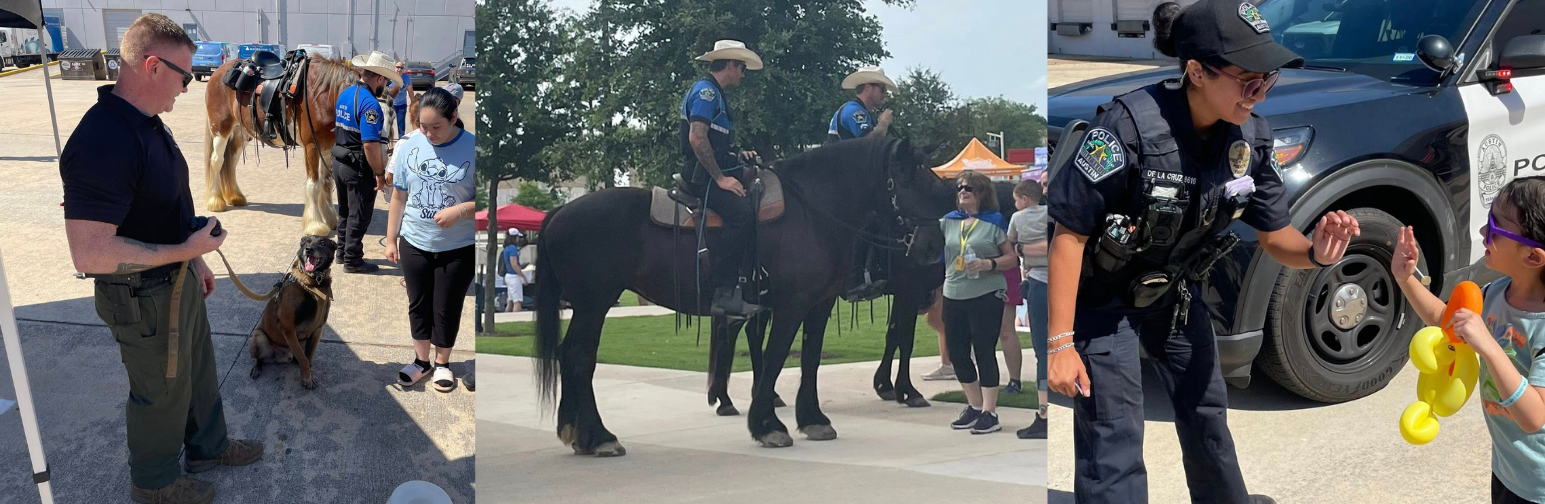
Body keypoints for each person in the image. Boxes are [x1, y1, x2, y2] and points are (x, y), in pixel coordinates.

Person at [1045, 1, 1360, 502]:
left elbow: (1278, 236)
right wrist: (1060, 345)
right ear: (1196, 70)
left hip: (1174, 294)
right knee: (1114, 438)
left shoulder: (1250, 139)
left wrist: (1317, 253)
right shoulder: (1124, 130)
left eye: (1268, 81)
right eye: (1247, 81)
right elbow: (1070, 234)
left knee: (1207, 415)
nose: (1258, 94)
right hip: (1103, 302)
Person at [59, 13, 263, 503]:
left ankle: (208, 449)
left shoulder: (145, 121)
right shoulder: (102, 139)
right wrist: (183, 251)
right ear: (152, 65)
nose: (189, 88)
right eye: (185, 76)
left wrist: (192, 258)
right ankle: (153, 485)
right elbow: (89, 251)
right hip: (140, 296)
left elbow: (161, 204)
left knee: (197, 373)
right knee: (159, 392)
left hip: (172, 279)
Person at [1397, 177, 1545, 504]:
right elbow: (1447, 322)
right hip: (1509, 468)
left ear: (1533, 258)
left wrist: (1489, 347)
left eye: (1495, 227)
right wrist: (1406, 278)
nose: (1482, 233)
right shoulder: (1496, 294)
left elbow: (1534, 416)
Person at [384, 86, 477, 393]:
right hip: (414, 241)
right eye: (423, 126)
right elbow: (398, 196)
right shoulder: (412, 144)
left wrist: (461, 211)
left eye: (436, 126)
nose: (429, 133)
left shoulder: (474, 149)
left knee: (447, 308)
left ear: (453, 118)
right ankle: (421, 362)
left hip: (457, 248)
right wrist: (390, 239)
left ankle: (443, 364)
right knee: (418, 305)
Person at [679, 39, 764, 318]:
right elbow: (697, 137)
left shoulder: (715, 94)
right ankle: (724, 293)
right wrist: (720, 179)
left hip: (715, 171)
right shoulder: (706, 93)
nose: (743, 73)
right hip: (703, 178)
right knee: (741, 215)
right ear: (729, 65)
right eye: (741, 67)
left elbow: (713, 144)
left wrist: (737, 156)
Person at [941, 171, 1017, 435]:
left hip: (986, 293)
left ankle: (990, 411)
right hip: (953, 292)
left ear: (982, 193)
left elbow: (1012, 258)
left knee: (984, 350)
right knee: (958, 352)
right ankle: (973, 406)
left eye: (969, 188)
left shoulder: (994, 222)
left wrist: (989, 264)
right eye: (960, 187)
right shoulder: (948, 221)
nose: (963, 191)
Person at [829, 65, 898, 303]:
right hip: (844, 185)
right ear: (869, 87)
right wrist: (884, 124)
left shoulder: (857, 112)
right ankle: (855, 280)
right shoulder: (854, 111)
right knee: (866, 224)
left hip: (845, 183)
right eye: (882, 89)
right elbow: (868, 143)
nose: (885, 95)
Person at [332, 51, 403, 274]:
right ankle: (353, 259)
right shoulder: (370, 105)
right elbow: (370, 145)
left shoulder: (345, 94)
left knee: (345, 211)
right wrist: (380, 174)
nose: (386, 86)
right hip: (358, 167)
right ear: (380, 79)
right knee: (360, 214)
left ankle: (342, 253)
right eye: (387, 81)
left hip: (339, 162)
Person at [1008, 176, 1049, 439]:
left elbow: (1011, 244)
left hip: (1039, 282)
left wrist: (1022, 248)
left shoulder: (1017, 218)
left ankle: (1044, 412)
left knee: (1042, 349)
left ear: (1023, 199)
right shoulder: (1049, 214)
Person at [503, 229, 530, 312]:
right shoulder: (513, 249)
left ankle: (506, 318)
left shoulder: (506, 248)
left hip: (508, 275)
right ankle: (516, 316)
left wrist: (520, 266)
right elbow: (514, 265)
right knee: (517, 302)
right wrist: (523, 277)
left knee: (510, 301)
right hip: (514, 276)